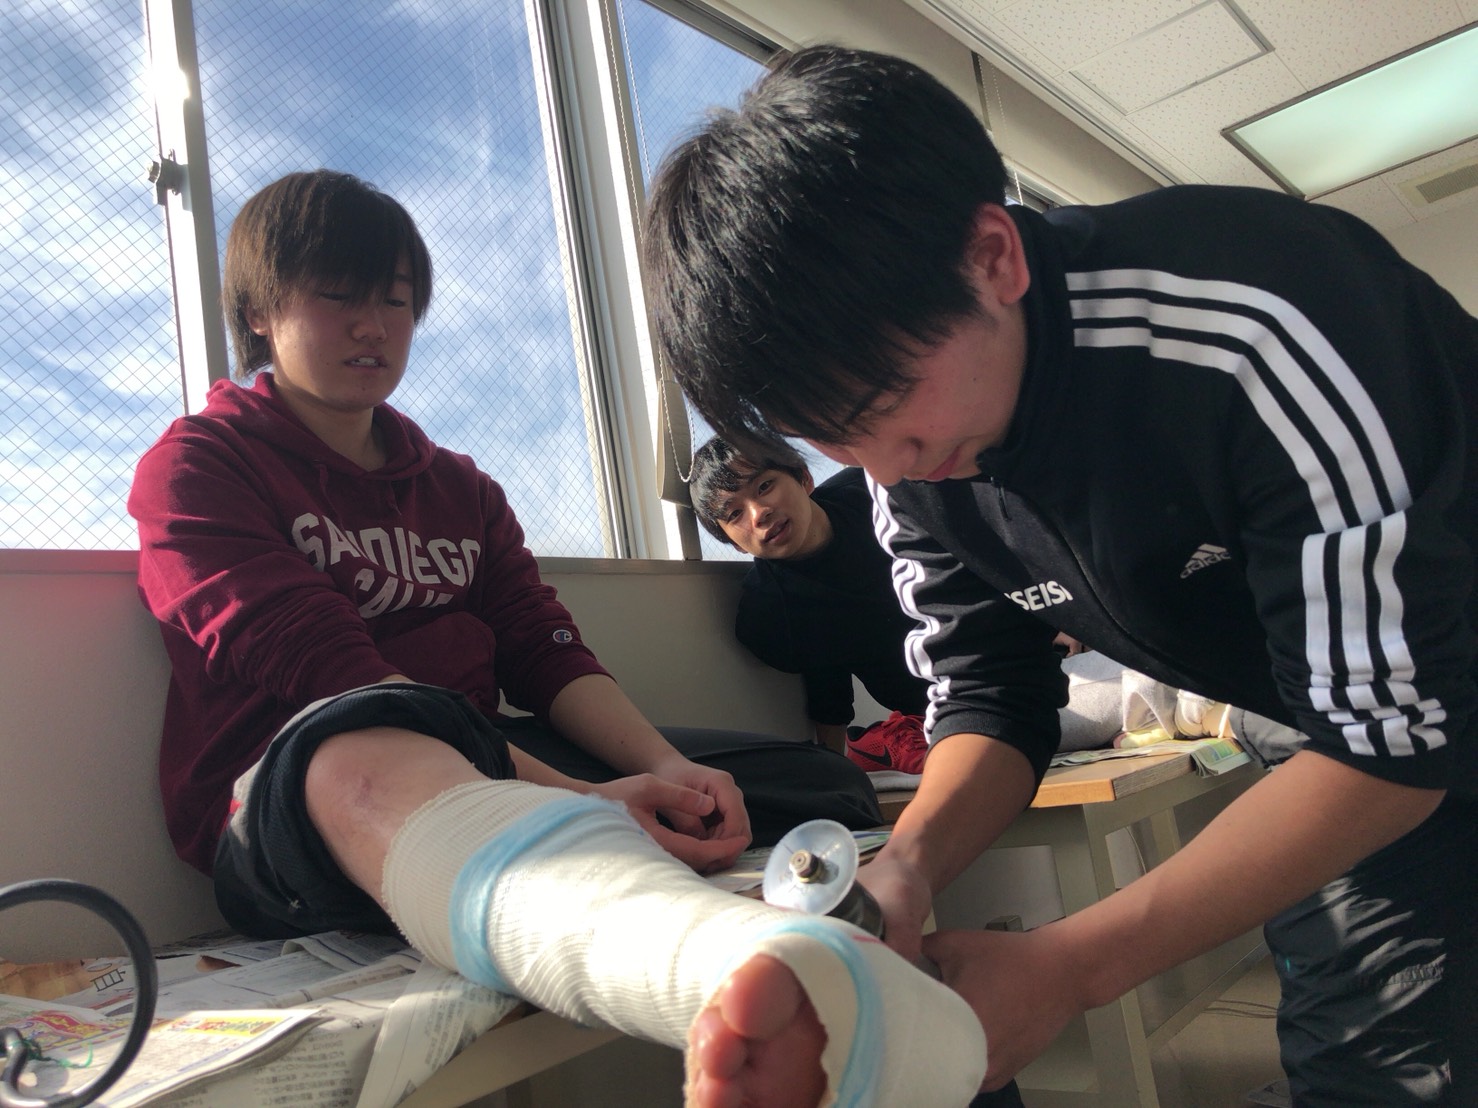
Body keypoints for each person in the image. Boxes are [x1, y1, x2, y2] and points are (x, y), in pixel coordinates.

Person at [643, 45, 1477, 1108]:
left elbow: (1390, 738)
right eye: (829, 437)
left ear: (992, 258)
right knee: (1367, 1077)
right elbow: (989, 693)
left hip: (1398, 711)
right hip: (1327, 727)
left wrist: (1071, 967)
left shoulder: (1247, 324)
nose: (881, 468)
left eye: (883, 404)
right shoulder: (914, 472)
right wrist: (906, 866)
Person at [128, 170, 986, 1107]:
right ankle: (747, 974)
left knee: (817, 782)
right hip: (288, 804)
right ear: (259, 313)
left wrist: (665, 773)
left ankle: (800, 968)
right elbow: (334, 675)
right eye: (339, 297)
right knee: (356, 745)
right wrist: (588, 801)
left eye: (397, 301)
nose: (373, 326)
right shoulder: (197, 466)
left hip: (490, 760)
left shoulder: (460, 487)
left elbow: (546, 651)